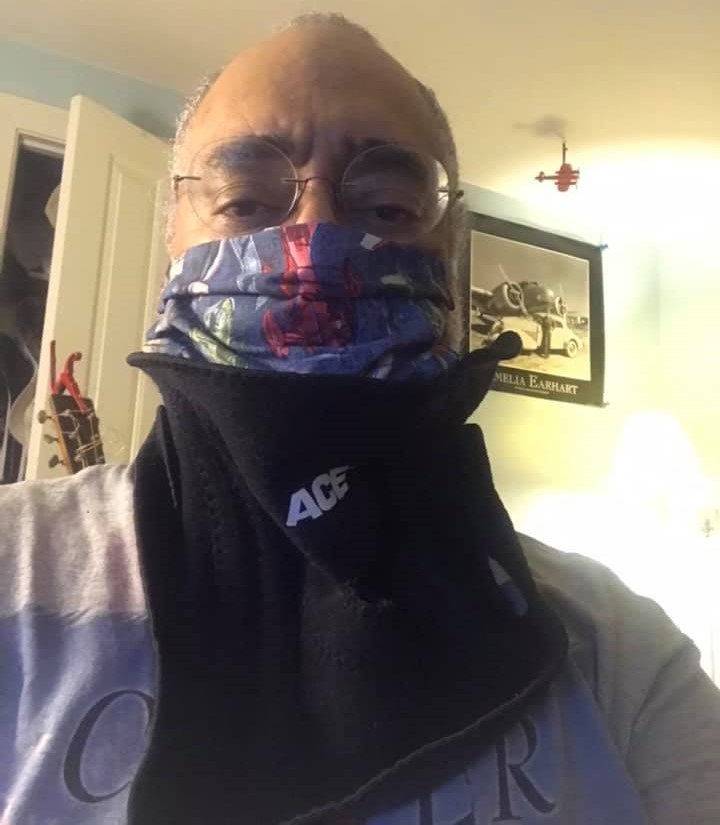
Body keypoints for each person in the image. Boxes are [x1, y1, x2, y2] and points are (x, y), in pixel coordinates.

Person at [2, 13, 720, 825]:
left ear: (451, 246)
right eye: (245, 200)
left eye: (386, 206)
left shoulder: (621, 653)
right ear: (173, 231)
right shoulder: (12, 568)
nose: (313, 234)